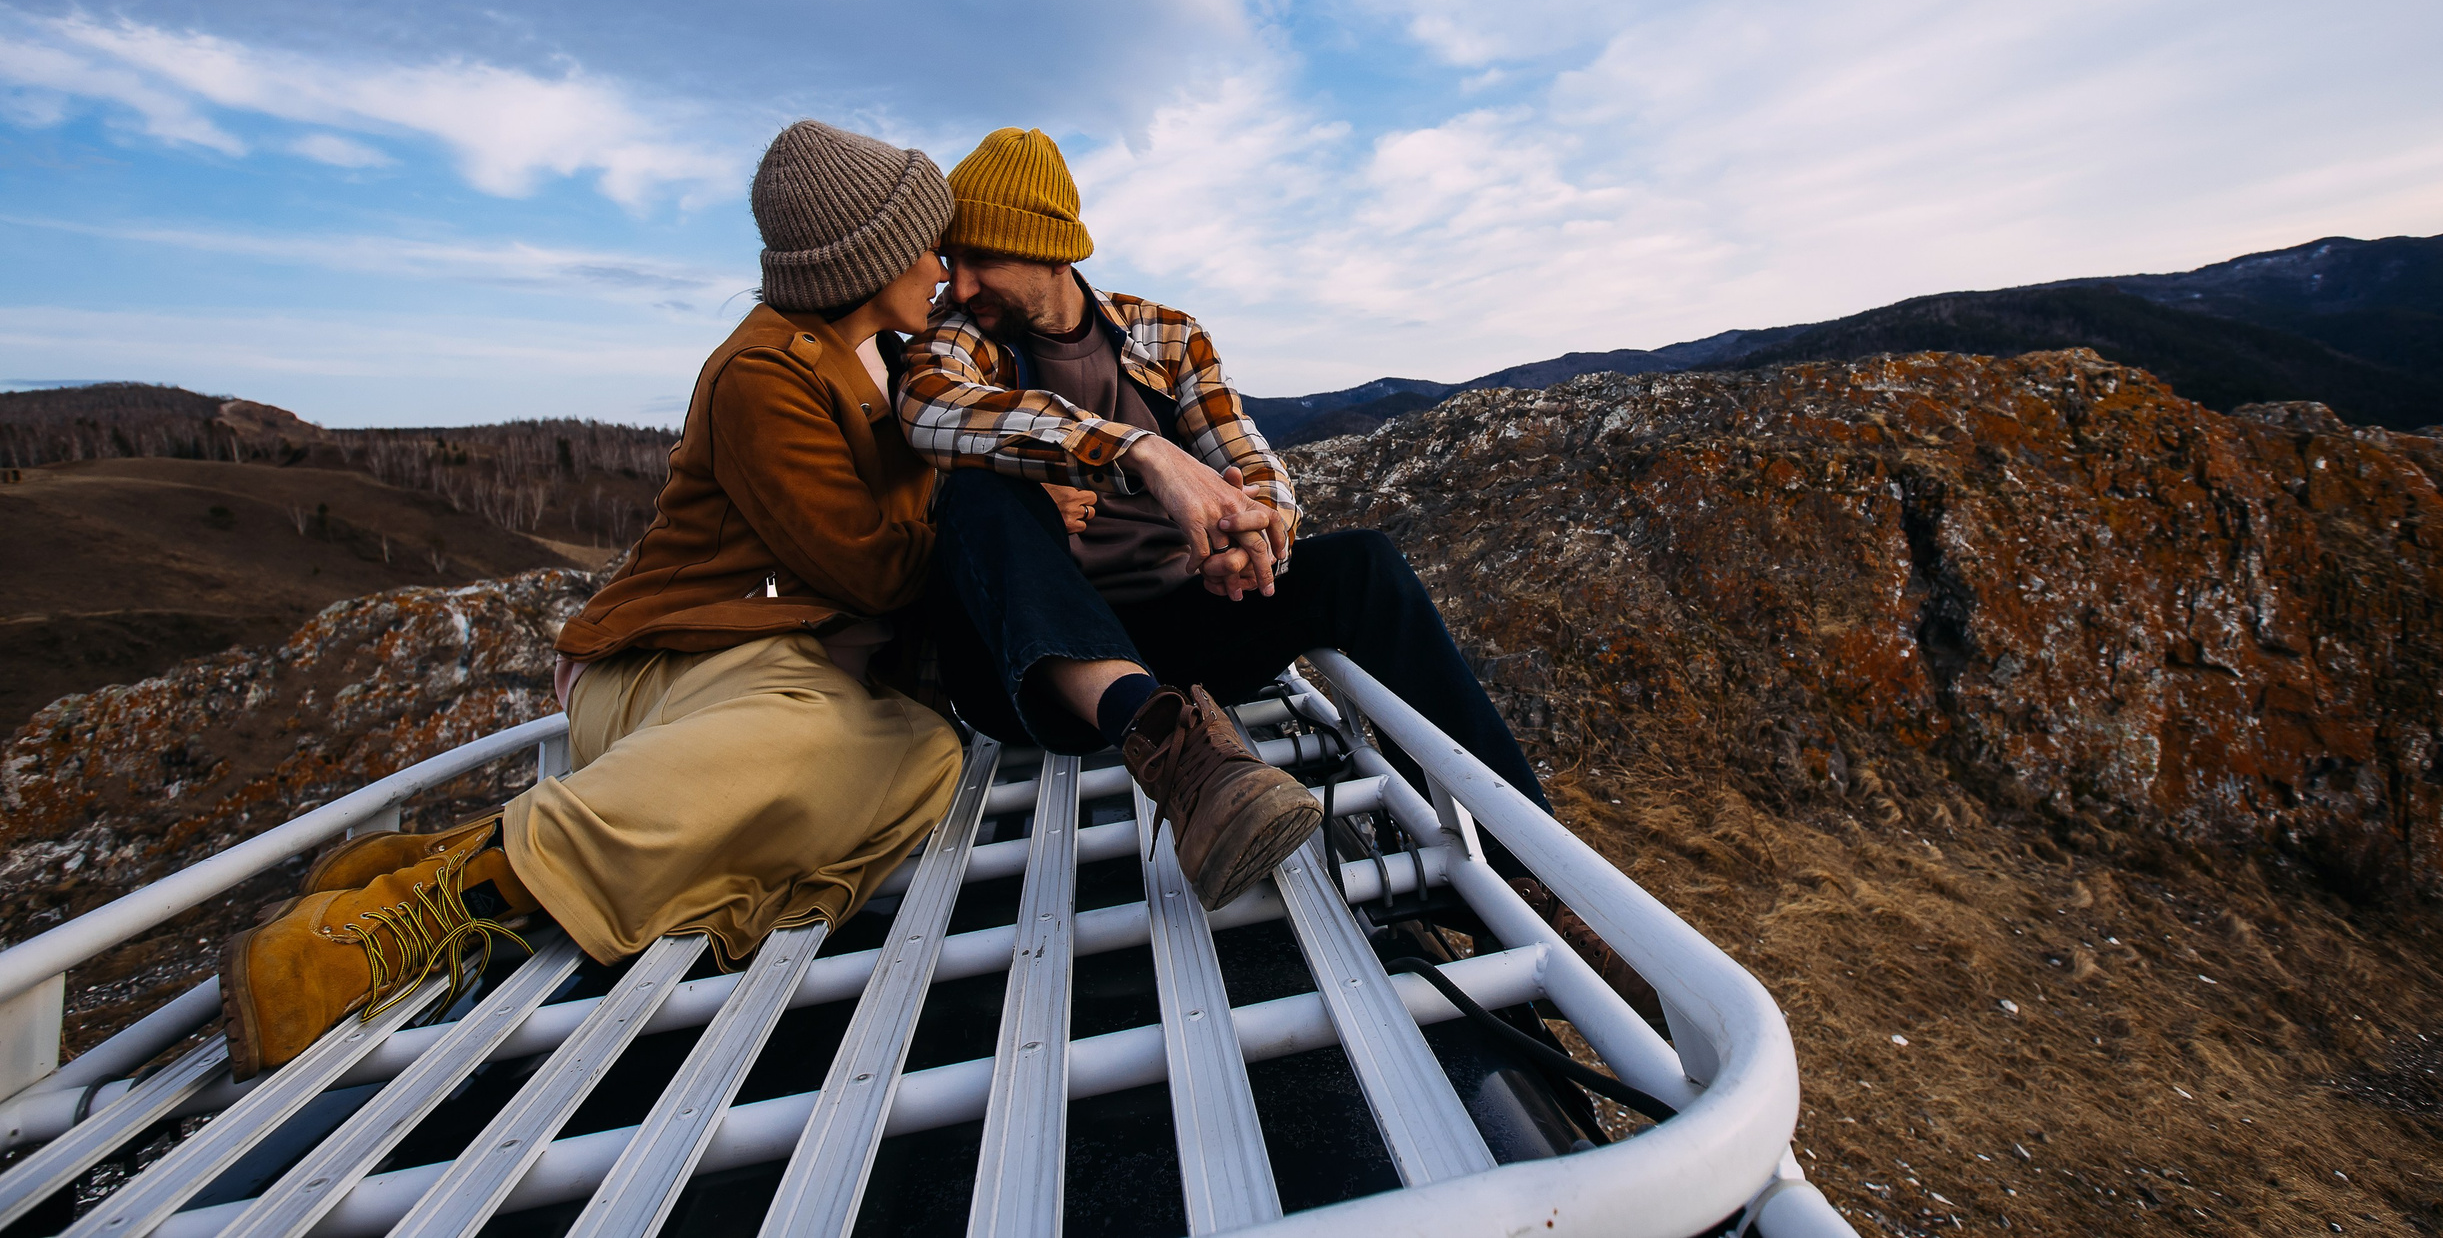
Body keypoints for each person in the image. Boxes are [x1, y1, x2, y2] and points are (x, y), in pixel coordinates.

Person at [218, 122, 969, 1077]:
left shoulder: (897, 359)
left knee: (922, 756)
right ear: (864, 258)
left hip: (782, 663)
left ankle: (498, 849)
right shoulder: (763, 374)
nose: (945, 264)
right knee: (820, 740)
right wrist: (984, 518)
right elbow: (871, 569)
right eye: (927, 242)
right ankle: (405, 916)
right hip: (667, 661)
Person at [896, 127, 1557, 914]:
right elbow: (929, 408)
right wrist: (1145, 454)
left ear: (1046, 250)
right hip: (1031, 668)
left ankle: (1525, 880)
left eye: (980, 261)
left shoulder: (1166, 335)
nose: (960, 286)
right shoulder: (958, 344)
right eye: (953, 262)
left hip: (1178, 633)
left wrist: (1253, 537)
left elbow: (1251, 460)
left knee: (1365, 565)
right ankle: (1170, 747)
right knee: (980, 491)